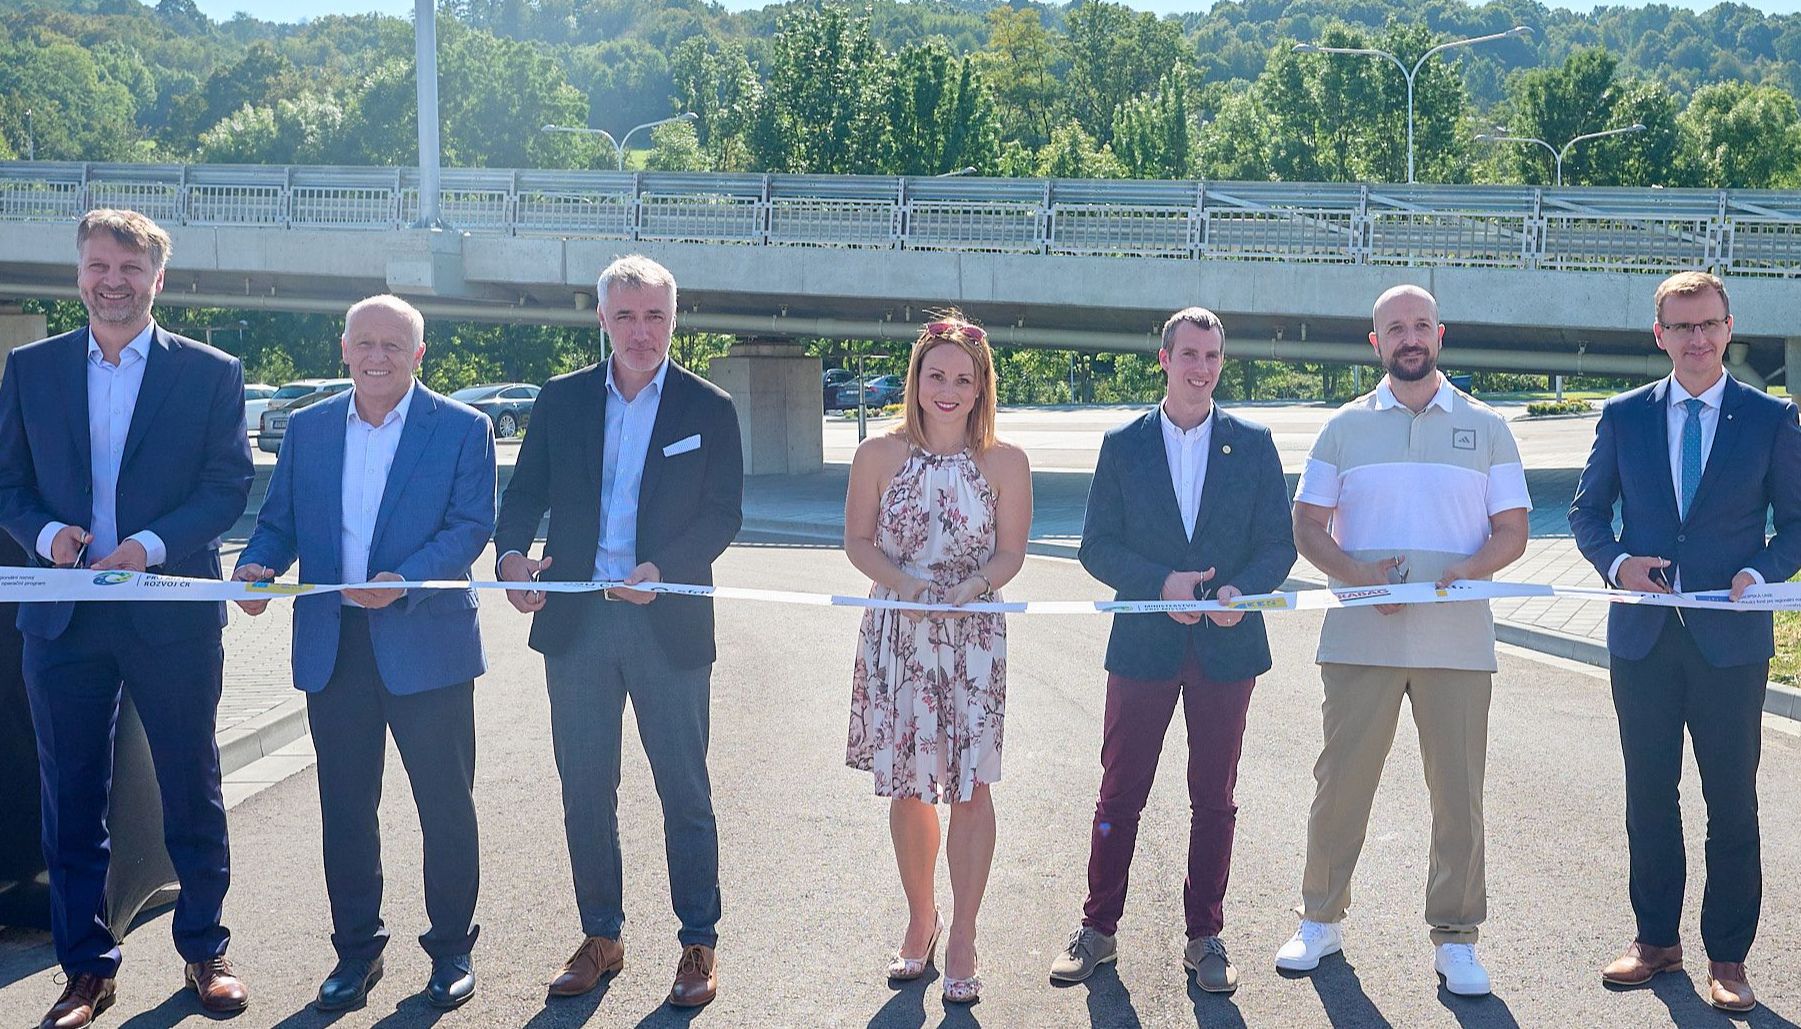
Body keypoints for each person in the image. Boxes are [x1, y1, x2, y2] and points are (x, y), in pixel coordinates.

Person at [0, 209, 254, 1028]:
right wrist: (45, 534)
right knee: (71, 796)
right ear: (78, 272)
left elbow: (226, 486)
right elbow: (7, 481)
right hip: (63, 615)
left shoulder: (210, 372)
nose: (113, 281)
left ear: (157, 278)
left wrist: (147, 546)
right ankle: (86, 968)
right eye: (99, 266)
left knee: (191, 784)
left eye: (130, 268)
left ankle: (205, 947)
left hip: (169, 611)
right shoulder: (30, 368)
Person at [232, 295, 496, 1012]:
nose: (378, 357)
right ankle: (356, 951)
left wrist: (404, 580)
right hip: (335, 645)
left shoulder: (462, 428)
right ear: (344, 348)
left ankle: (451, 948)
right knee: (346, 809)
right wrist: (257, 566)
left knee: (445, 805)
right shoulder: (310, 428)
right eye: (365, 343)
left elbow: (470, 525)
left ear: (419, 355)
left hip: (427, 643)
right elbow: (278, 523)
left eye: (393, 345)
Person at [494, 255, 743, 1009]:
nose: (641, 331)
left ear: (675, 318)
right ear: (601, 318)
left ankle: (698, 940)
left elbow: (723, 515)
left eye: (655, 315)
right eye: (626, 316)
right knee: (585, 788)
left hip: (666, 619)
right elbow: (524, 491)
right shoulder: (562, 398)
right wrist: (510, 556)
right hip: (577, 621)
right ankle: (601, 935)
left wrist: (665, 568)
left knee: (684, 788)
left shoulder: (708, 406)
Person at [1274, 284, 1529, 997]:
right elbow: (1307, 525)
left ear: (1439, 334)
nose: (1409, 338)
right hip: (1360, 637)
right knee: (1340, 786)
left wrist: (1468, 570)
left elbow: (1512, 530)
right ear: (1376, 342)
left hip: (1458, 642)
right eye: (1395, 328)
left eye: (1420, 325)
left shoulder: (1488, 427)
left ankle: (1457, 936)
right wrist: (1359, 578)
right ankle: (1319, 919)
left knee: (1458, 797)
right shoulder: (1342, 428)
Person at [1570, 271, 1801, 1012]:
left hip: (1730, 640)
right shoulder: (1624, 416)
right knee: (1648, 796)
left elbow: (1796, 522)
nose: (1696, 338)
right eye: (1681, 326)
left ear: (1728, 329)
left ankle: (1727, 957)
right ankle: (1654, 941)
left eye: (1708, 324)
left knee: (1730, 802)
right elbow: (1585, 513)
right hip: (1641, 640)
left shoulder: (1770, 418)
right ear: (1659, 335)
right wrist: (1617, 564)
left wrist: (1759, 572)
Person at [1049, 308, 1295, 993]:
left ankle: (1204, 936)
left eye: (1212, 356)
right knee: (1119, 792)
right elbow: (1096, 546)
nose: (1201, 368)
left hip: (1227, 645)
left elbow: (1278, 543)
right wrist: (1160, 583)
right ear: (1163, 358)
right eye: (1189, 354)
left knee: (1214, 797)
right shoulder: (1123, 444)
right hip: (1143, 643)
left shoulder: (1253, 444)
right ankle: (1098, 929)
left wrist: (1242, 591)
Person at [844, 314, 1031, 1005]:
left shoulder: (1006, 461)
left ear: (981, 387)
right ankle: (921, 919)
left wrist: (973, 586)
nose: (948, 391)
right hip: (900, 632)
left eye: (962, 379)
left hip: (972, 637)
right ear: (915, 380)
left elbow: (1010, 552)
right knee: (909, 786)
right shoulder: (877, 454)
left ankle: (964, 936)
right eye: (936, 376)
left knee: (971, 787)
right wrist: (905, 585)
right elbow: (857, 542)